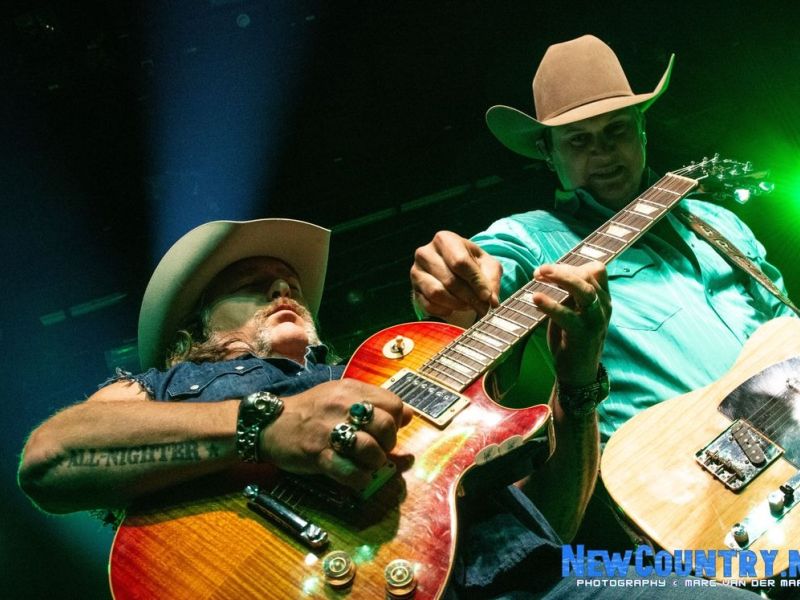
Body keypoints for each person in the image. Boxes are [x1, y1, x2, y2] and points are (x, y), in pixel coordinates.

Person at [17, 217, 754, 598]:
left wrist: (576, 379)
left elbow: (548, 525)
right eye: (252, 284)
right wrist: (262, 426)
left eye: (290, 282)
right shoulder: (165, 391)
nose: (285, 290)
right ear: (189, 332)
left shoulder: (387, 364)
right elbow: (53, 458)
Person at [410, 34, 795, 444]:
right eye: (579, 139)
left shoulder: (718, 221)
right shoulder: (528, 236)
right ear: (547, 151)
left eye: (617, 130)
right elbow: (474, 287)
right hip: (675, 478)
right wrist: (451, 284)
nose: (604, 151)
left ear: (643, 130)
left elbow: (786, 331)